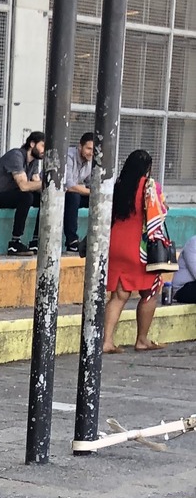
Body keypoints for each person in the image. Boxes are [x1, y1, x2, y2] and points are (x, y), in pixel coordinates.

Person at [103, 147, 168, 352]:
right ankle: (141, 339)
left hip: (116, 244)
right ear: (147, 168)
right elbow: (159, 213)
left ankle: (106, 341)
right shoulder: (150, 186)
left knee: (119, 295)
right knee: (150, 292)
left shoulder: (118, 186)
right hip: (140, 247)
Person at [0, 130, 47, 254]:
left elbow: (36, 183)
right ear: (32, 144)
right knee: (26, 197)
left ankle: (36, 241)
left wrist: (50, 189)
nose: (44, 151)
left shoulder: (34, 161)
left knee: (44, 198)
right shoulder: (16, 155)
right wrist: (48, 183)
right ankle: (15, 243)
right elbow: (24, 186)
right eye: (42, 146)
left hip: (8, 194)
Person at [63, 131, 95, 253]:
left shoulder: (90, 161)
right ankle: (71, 241)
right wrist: (93, 192)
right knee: (74, 196)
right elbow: (69, 186)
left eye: (93, 150)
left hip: (74, 195)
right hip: (59, 194)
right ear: (80, 146)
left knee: (100, 202)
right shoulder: (68, 156)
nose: (91, 153)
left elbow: (91, 183)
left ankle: (95, 239)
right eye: (88, 148)